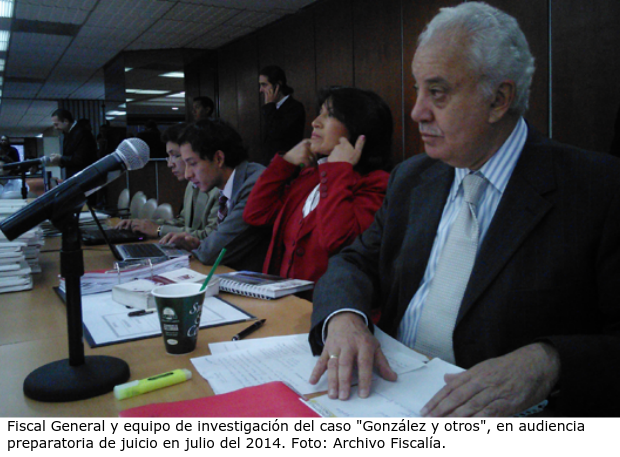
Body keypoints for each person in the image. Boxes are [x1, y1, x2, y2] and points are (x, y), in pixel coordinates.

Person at [308, 1, 620, 417]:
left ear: (498, 100)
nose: (416, 112)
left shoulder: (598, 188)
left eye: (437, 93)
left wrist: (550, 362)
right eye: (418, 89)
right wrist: (344, 317)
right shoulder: (412, 179)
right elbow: (353, 262)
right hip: (386, 395)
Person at [243, 86, 392, 286]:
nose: (315, 122)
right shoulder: (312, 176)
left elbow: (338, 241)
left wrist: (338, 169)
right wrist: (285, 162)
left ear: (359, 127)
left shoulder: (377, 184)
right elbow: (256, 213)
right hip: (284, 299)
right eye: (319, 113)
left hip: (328, 303)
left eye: (330, 115)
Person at [160, 119, 270, 272]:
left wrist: (202, 247)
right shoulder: (229, 186)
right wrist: (197, 244)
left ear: (218, 159)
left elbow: (211, 253)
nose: (187, 174)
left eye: (193, 163)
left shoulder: (255, 184)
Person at [115, 123, 219, 239]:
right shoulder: (191, 185)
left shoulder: (219, 190)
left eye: (176, 156)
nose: (170, 164)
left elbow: (210, 237)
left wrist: (159, 230)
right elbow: (184, 222)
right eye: (168, 157)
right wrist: (144, 225)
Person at [258, 65, 306, 165]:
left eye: (264, 85)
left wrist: (269, 106)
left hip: (286, 165)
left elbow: (276, 133)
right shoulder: (272, 107)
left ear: (277, 86)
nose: (261, 90)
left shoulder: (295, 107)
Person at [49, 109, 98, 178]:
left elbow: (81, 159)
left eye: (56, 124)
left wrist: (61, 158)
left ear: (66, 121)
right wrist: (60, 161)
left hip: (85, 177)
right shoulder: (68, 133)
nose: (55, 128)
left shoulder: (83, 133)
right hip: (78, 176)